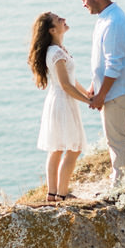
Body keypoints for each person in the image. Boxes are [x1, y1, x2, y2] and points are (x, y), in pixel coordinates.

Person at [80, 0, 125, 188]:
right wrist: (94, 87)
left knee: (115, 139)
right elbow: (101, 62)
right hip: (112, 89)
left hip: (117, 90)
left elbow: (113, 65)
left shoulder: (114, 22)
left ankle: (120, 185)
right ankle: (119, 181)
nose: (83, 4)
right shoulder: (107, 18)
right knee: (114, 138)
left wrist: (102, 95)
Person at [28, 11, 91, 201]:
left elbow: (71, 79)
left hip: (59, 101)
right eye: (59, 20)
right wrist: (88, 101)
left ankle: (52, 194)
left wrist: (87, 93)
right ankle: (62, 195)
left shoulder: (57, 49)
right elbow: (66, 85)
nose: (64, 19)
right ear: (53, 30)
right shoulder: (55, 53)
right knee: (73, 148)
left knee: (56, 148)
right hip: (63, 102)